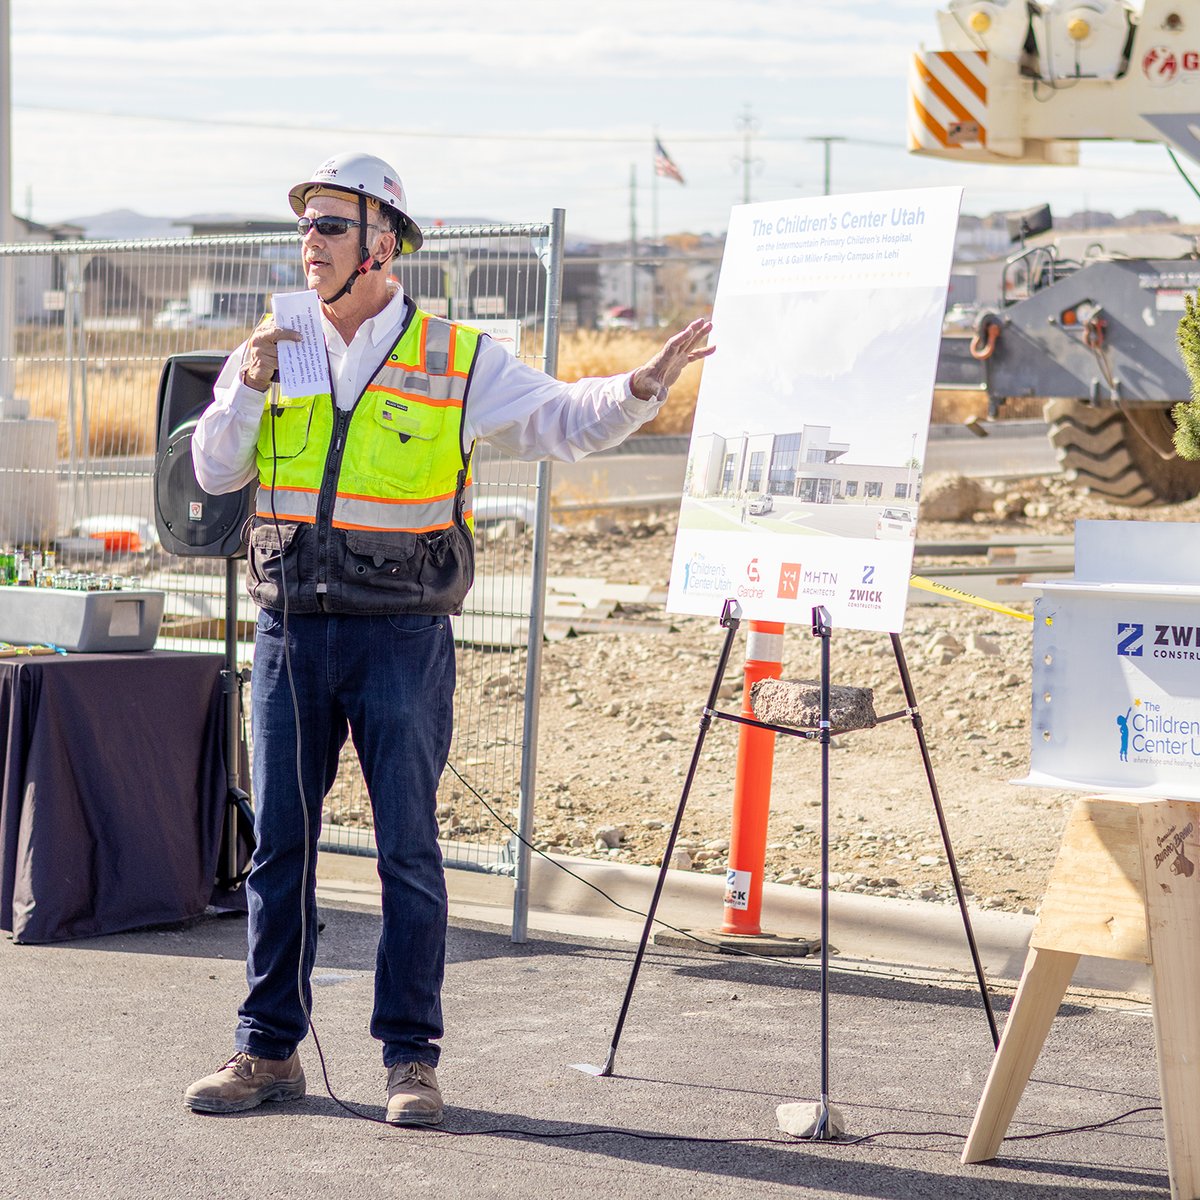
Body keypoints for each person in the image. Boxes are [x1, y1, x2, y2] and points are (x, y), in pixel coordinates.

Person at [184, 152, 713, 1124]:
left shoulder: (454, 358)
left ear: (384, 244)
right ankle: (266, 1053)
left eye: (330, 226)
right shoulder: (275, 345)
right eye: (303, 226)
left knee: (409, 854)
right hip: (292, 631)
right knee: (281, 852)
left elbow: (560, 422)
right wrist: (247, 385)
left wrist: (642, 383)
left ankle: (409, 1062)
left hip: (400, 638)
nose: (310, 242)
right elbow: (216, 473)